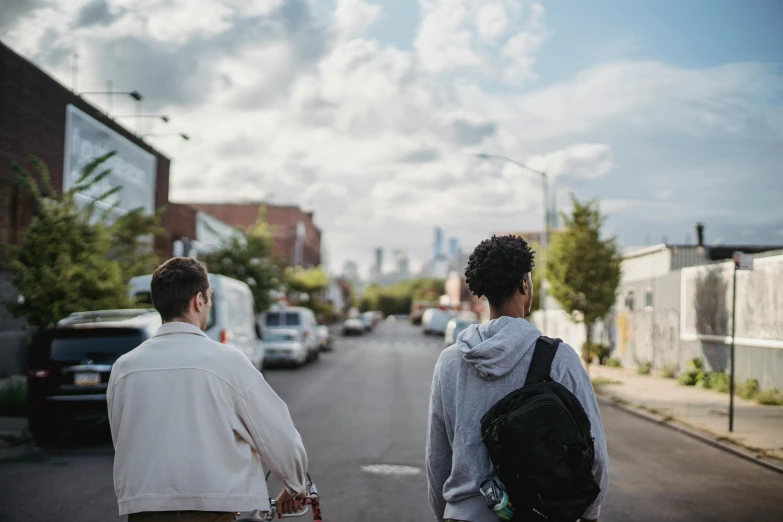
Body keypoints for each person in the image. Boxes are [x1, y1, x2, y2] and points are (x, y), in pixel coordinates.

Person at [108, 257, 308, 521]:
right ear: (199, 300)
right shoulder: (228, 361)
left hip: (144, 509)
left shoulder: (124, 368)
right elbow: (278, 433)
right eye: (209, 298)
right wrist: (295, 486)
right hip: (210, 510)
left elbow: (122, 438)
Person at [426, 235, 609, 522]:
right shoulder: (559, 358)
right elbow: (595, 456)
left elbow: (437, 461)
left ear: (482, 291)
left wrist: (450, 514)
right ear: (525, 284)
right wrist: (589, 514)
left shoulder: (450, 362)